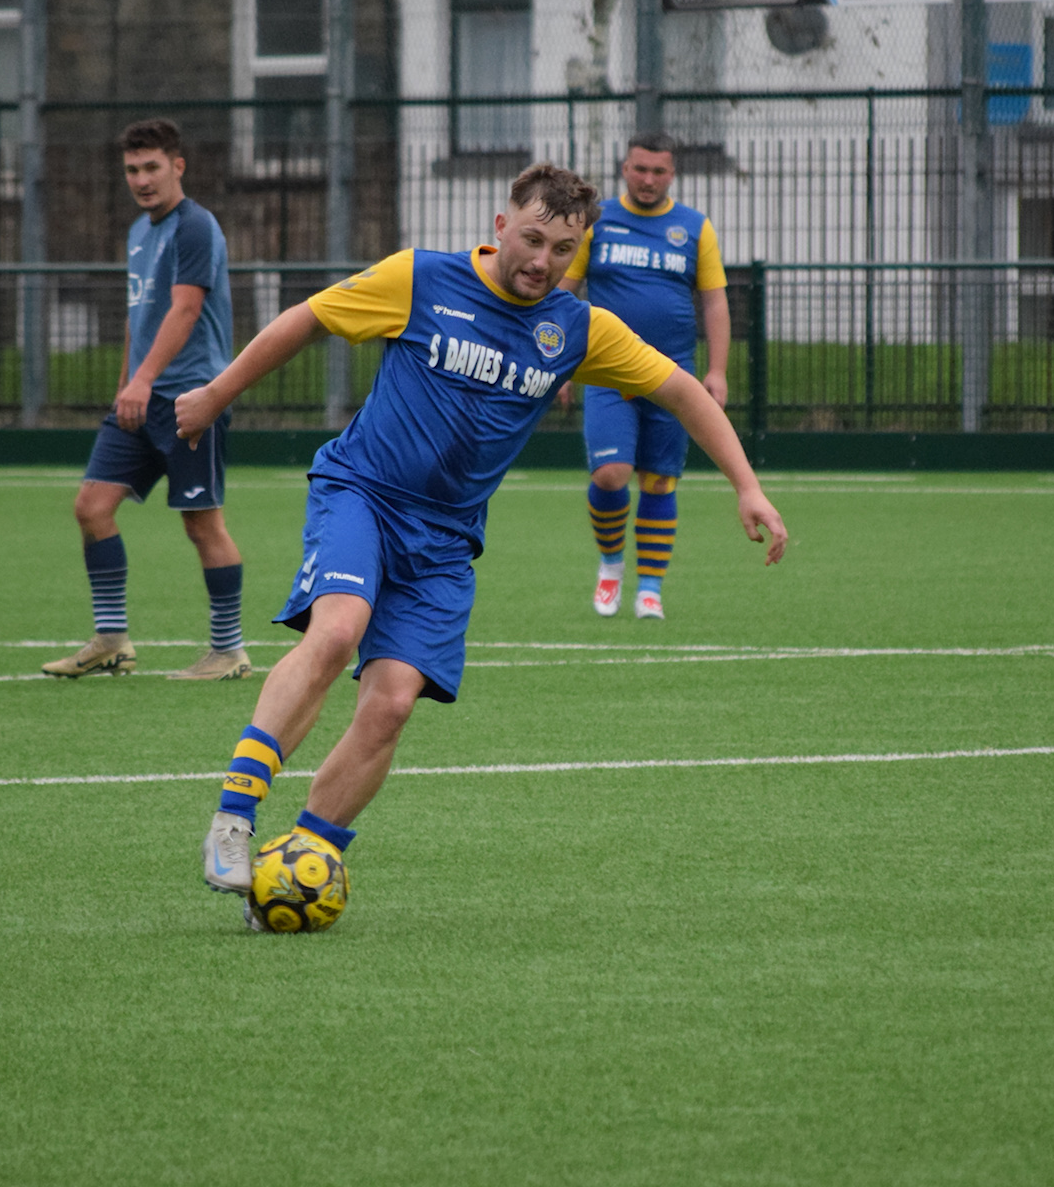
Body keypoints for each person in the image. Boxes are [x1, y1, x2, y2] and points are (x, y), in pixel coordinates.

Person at [170, 162, 787, 915]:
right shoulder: (421, 278)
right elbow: (310, 317)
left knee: (393, 700)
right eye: (532, 238)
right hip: (363, 493)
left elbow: (684, 391)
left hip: (447, 538)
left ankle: (304, 852)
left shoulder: (576, 328)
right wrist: (215, 394)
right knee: (336, 634)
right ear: (500, 227)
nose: (543, 261)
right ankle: (234, 819)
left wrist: (747, 484)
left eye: (563, 249)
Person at [42, 119, 250, 682]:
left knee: (201, 525)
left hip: (191, 399)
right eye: (132, 170)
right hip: (141, 397)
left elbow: (184, 310)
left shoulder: (195, 227)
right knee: (91, 507)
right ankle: (111, 639)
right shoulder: (139, 231)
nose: (142, 179)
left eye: (152, 167)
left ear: (177, 166)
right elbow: (142, 315)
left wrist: (145, 380)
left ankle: (228, 650)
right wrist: (126, 383)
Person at [559, 132, 728, 621]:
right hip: (607, 371)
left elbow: (714, 301)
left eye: (658, 171)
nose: (648, 179)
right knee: (611, 474)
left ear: (671, 174)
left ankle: (650, 587)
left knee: (659, 482)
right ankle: (611, 565)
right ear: (624, 169)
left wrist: (716, 371)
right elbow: (566, 291)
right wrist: (561, 362)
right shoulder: (598, 223)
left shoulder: (694, 227)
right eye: (640, 169)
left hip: (673, 374)